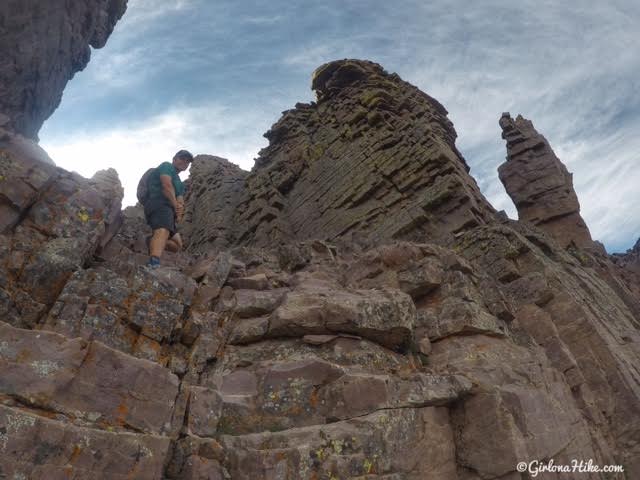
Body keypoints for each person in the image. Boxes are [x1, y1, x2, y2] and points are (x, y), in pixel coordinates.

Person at [144, 149, 193, 268]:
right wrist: (175, 204)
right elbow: (166, 185)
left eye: (187, 162)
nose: (184, 162)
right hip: (158, 202)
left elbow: (180, 198)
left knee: (177, 245)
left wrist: (179, 210)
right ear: (174, 159)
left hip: (169, 210)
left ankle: (151, 240)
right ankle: (153, 262)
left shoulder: (180, 183)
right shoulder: (167, 166)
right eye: (182, 159)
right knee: (163, 230)